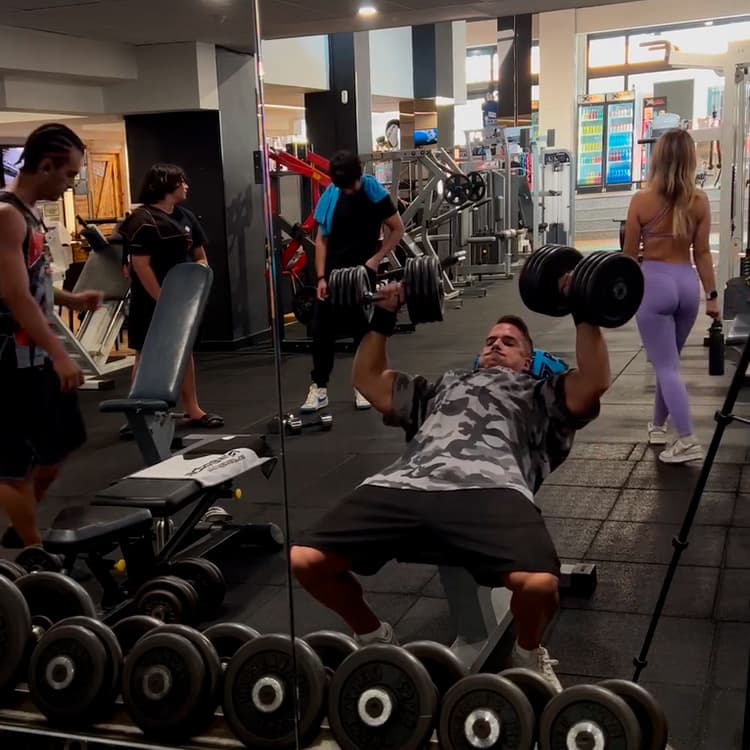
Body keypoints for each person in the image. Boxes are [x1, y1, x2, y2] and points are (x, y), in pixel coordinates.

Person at [291, 284, 610, 691]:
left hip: (493, 488)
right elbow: (369, 380)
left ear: (527, 359)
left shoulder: (540, 393)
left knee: (539, 584)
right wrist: (385, 316)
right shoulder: (444, 386)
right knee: (306, 559)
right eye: (490, 340)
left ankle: (528, 652)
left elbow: (594, 381)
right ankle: (374, 637)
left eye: (508, 342)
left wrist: (585, 307)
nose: (496, 345)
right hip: (406, 482)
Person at [0, 123, 104, 548]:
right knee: (14, 464)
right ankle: (32, 549)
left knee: (57, 449)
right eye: (69, 175)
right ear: (45, 166)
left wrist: (71, 299)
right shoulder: (6, 216)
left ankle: (20, 530)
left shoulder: (28, 214)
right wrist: (61, 353)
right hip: (8, 361)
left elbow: (33, 279)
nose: (71, 184)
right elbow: (15, 295)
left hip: (34, 359)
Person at [623, 128, 719, 463]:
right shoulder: (701, 201)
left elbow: (628, 258)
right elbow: (703, 253)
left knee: (666, 366)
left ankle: (688, 439)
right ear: (692, 160)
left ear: (657, 159)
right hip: (686, 286)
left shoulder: (641, 201)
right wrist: (713, 296)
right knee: (670, 363)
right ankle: (658, 425)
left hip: (654, 284)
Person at [118, 164, 223, 438]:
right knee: (145, 352)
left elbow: (200, 255)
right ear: (166, 186)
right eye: (181, 182)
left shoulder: (185, 216)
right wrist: (162, 299)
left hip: (183, 299)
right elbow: (141, 265)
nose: (186, 186)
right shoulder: (142, 220)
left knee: (184, 351)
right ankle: (137, 415)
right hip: (152, 297)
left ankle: (194, 409)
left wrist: (199, 278)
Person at [301, 150, 404, 413]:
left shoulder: (373, 192)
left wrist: (377, 259)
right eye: (342, 186)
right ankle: (319, 388)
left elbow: (398, 228)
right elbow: (321, 240)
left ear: (358, 176)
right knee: (321, 329)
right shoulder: (333, 194)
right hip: (334, 275)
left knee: (363, 330)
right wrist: (321, 278)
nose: (346, 190)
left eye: (350, 186)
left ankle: (361, 386)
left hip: (363, 271)